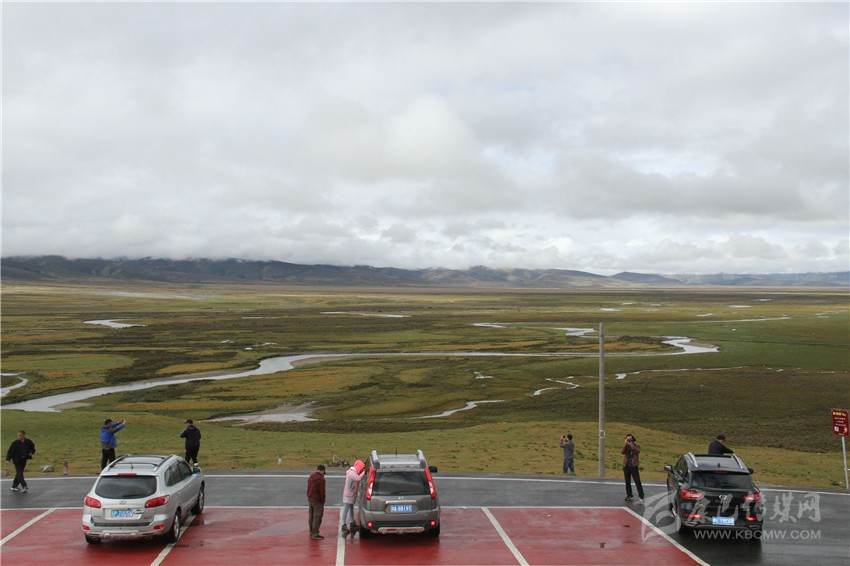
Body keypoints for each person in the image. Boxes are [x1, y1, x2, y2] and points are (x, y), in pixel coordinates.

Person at [341, 460, 366, 535]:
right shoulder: (352, 473)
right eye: (361, 468)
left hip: (352, 494)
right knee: (346, 509)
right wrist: (364, 472)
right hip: (349, 494)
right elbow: (358, 478)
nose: (361, 470)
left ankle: (352, 522)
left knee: (351, 508)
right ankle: (343, 524)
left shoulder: (352, 472)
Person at [621, 434, 645, 502]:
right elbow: (622, 452)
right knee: (627, 481)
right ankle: (629, 495)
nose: (629, 441)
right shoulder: (626, 446)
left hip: (634, 466)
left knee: (637, 481)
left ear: (633, 440)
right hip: (626, 466)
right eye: (628, 439)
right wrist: (626, 444)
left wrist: (631, 445)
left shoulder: (637, 446)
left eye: (630, 439)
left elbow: (637, 451)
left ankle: (641, 496)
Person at [307, 464, 327, 540]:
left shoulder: (311, 476)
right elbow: (322, 492)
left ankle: (311, 531)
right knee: (317, 517)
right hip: (318, 500)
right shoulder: (321, 480)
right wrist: (323, 500)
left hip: (310, 498)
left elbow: (308, 488)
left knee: (311, 516)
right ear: (322, 470)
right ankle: (315, 533)